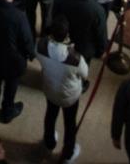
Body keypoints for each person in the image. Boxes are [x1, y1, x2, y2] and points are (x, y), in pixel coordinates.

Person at [36, 17, 89, 161]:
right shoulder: (75, 58)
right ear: (67, 35)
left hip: (50, 89)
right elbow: (85, 74)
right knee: (70, 124)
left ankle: (49, 141)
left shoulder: (40, 46)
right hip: (69, 96)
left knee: (50, 115)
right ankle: (68, 154)